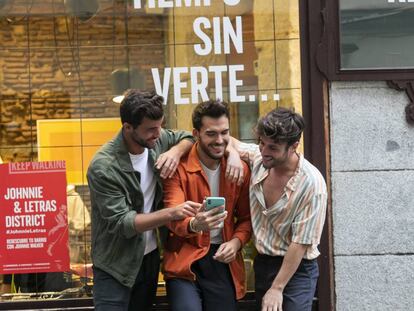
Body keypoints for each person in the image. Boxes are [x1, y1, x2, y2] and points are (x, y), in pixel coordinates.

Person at [87, 89, 199, 311]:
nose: (158, 134)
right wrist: (172, 213)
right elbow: (123, 223)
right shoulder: (103, 167)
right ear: (128, 127)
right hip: (114, 266)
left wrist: (175, 152)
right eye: (150, 129)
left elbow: (188, 137)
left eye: (160, 126)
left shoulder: (157, 140)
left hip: (147, 260)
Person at [231, 107, 327, 311]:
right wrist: (232, 155)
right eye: (261, 143)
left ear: (294, 146)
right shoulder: (260, 158)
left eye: (273, 148)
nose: (264, 151)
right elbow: (229, 142)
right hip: (264, 263)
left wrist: (277, 288)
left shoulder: (311, 184)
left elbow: (300, 243)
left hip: (297, 268)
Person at [162, 99, 252, 311]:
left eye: (224, 133)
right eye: (211, 134)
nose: (219, 140)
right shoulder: (178, 168)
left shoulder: (240, 169)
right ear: (196, 134)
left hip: (222, 258)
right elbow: (172, 215)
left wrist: (236, 243)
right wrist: (194, 224)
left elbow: (247, 219)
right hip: (185, 258)